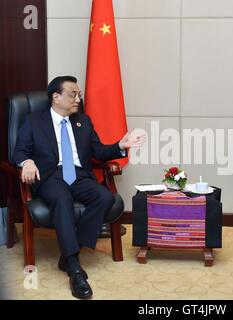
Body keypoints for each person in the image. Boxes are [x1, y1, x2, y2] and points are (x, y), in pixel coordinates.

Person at [13, 76, 146, 299]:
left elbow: (99, 152)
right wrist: (27, 162)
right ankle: (74, 268)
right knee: (62, 200)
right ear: (56, 97)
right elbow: (18, 152)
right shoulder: (34, 121)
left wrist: (121, 146)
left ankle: (66, 255)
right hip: (50, 176)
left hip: (79, 176)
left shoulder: (83, 121)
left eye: (79, 95)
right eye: (73, 94)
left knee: (106, 198)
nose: (78, 99)